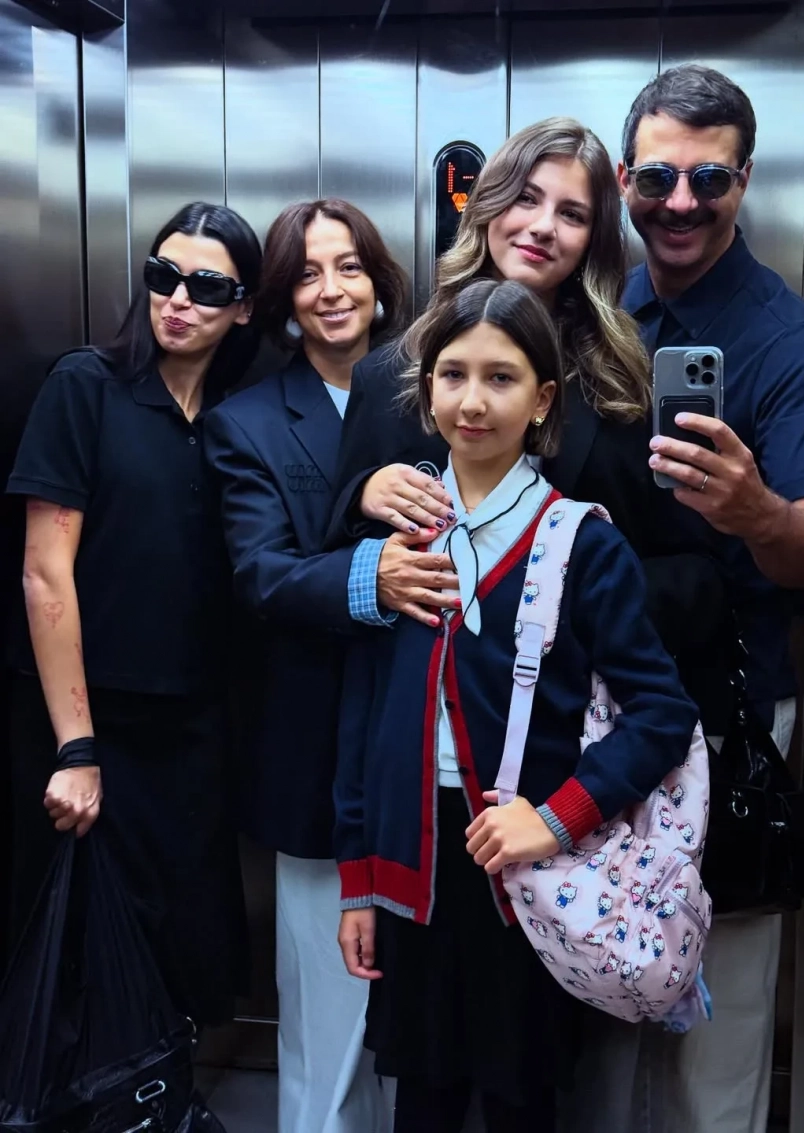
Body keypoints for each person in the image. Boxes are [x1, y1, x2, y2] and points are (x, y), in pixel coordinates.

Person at [334, 278, 699, 1133]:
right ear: (427, 392)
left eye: (500, 378)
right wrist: (361, 880)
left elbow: (661, 712)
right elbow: (363, 712)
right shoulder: (397, 544)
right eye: (453, 374)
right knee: (421, 1101)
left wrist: (557, 817)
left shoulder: (581, 541)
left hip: (532, 875)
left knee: (520, 1102)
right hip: (414, 866)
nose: (473, 401)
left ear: (541, 401)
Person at [615, 65, 804, 1133]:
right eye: (657, 175)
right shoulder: (601, 308)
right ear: (625, 176)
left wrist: (757, 510)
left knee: (719, 1016)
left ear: (743, 182)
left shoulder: (783, 339)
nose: (680, 201)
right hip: (602, 709)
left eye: (708, 179)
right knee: (605, 991)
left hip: (728, 717)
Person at [326, 116, 726, 698]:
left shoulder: (626, 385)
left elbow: (698, 577)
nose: (542, 227)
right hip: (426, 706)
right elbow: (335, 559)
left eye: (573, 214)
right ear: (488, 205)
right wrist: (365, 502)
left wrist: (573, 597)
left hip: (577, 711)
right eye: (526, 198)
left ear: (592, 240)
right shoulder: (390, 374)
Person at [5, 202, 262, 1026]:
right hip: (93, 723)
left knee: (182, 954)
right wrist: (76, 749)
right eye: (163, 276)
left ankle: (160, 1091)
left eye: (206, 286)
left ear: (244, 308)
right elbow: (45, 571)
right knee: (84, 962)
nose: (177, 300)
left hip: (193, 730)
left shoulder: (233, 418)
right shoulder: (87, 385)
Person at [204, 199, 406, 1133]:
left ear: (379, 279)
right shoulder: (247, 422)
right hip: (317, 759)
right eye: (309, 273)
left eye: (350, 266)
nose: (333, 289)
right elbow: (263, 574)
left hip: (435, 757)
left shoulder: (436, 390)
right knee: (330, 1029)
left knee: (423, 1036)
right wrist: (375, 572)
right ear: (282, 297)